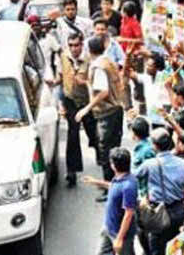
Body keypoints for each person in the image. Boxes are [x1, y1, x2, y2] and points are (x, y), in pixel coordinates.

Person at [76, 37, 124, 202]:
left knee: (106, 151)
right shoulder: (108, 61)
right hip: (116, 108)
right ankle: (116, 183)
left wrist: (86, 108)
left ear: (89, 51)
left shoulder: (98, 67)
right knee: (114, 148)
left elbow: (102, 92)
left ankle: (109, 187)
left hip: (106, 113)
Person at [136, 128, 184, 255]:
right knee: (177, 247)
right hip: (179, 211)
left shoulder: (150, 164)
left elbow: (134, 176)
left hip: (158, 213)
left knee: (157, 249)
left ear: (154, 145)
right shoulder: (183, 163)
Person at [56, 33, 99, 187]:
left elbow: (93, 83)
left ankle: (104, 161)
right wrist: (60, 103)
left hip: (86, 103)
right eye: (71, 45)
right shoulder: (63, 57)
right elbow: (59, 81)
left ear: (82, 45)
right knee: (72, 135)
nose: (74, 49)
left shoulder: (90, 60)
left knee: (93, 133)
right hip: (70, 101)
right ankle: (71, 171)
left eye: (77, 45)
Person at [83, 148, 138, 255]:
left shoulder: (128, 186)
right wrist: (96, 182)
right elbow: (113, 187)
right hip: (108, 228)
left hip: (120, 234)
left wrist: (119, 238)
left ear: (113, 165)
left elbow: (128, 214)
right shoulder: (119, 178)